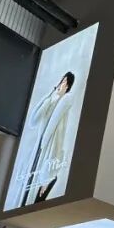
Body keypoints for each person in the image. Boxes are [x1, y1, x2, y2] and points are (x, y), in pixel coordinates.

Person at [20, 71, 77, 206]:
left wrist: (46, 179)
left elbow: (52, 128)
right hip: (39, 151)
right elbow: (33, 120)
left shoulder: (66, 100)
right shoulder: (52, 100)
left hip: (48, 151)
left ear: (68, 86)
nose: (62, 84)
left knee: (36, 196)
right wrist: (50, 95)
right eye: (62, 80)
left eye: (65, 82)